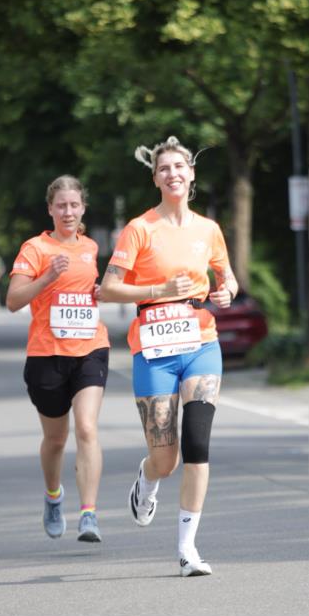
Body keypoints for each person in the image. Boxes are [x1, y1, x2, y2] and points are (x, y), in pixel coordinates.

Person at [100, 136, 238, 577]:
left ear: (191, 174)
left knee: (198, 445)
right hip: (155, 349)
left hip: (201, 343)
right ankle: (147, 479)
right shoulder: (140, 229)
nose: (173, 174)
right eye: (164, 169)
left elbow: (228, 278)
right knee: (167, 457)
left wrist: (226, 291)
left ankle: (186, 549)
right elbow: (107, 287)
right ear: (156, 178)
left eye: (180, 167)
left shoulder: (208, 229)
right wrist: (158, 291)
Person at [6, 176, 110, 544]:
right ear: (50, 209)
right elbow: (14, 300)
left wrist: (99, 291)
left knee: (86, 428)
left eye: (74, 205)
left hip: (90, 348)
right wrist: (48, 276)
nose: (68, 211)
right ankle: (53, 496)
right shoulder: (35, 248)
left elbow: (88, 290)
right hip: (46, 354)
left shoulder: (91, 246)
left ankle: (89, 514)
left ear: (83, 208)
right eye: (61, 205)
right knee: (55, 439)